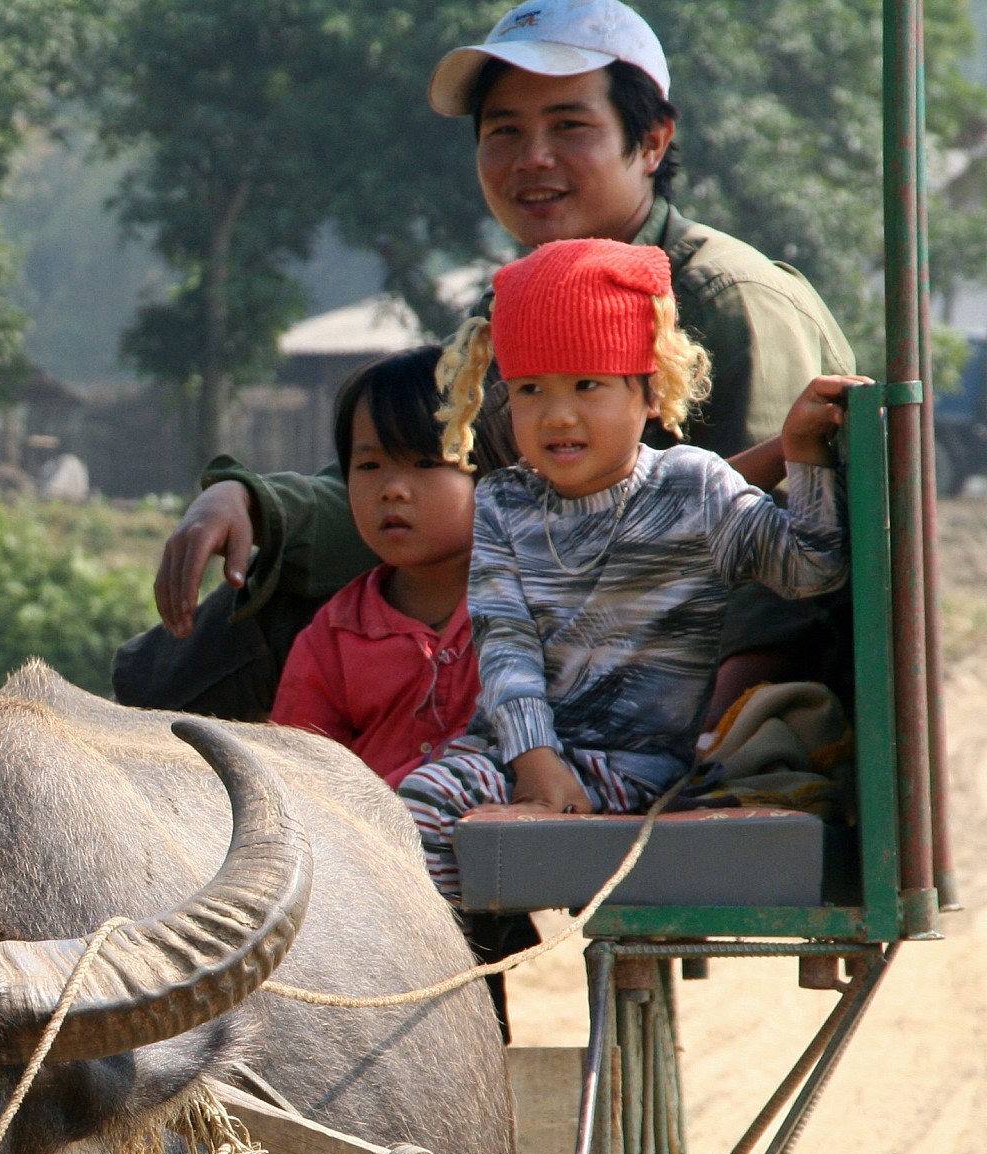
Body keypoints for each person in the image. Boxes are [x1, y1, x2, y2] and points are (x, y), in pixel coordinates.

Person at [122, 0, 856, 723]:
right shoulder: (513, 307)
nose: (532, 158)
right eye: (504, 131)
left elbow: (772, 553)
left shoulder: (727, 297)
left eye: (569, 126)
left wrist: (714, 758)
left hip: (664, 697)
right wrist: (255, 504)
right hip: (535, 668)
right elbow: (428, 469)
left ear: (653, 142)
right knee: (286, 594)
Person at [394, 238, 857, 901]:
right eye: (530, 389)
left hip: (637, 767)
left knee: (435, 799)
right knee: (412, 806)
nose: (557, 414)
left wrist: (803, 452)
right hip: (511, 754)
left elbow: (812, 569)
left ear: (648, 391)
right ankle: (456, 974)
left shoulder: (695, 487)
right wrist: (534, 758)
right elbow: (505, 644)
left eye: (587, 384)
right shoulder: (503, 502)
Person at [270, 346, 517, 787]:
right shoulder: (334, 639)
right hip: (370, 847)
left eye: (425, 462)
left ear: (495, 470)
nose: (393, 490)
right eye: (369, 465)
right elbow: (296, 779)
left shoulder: (531, 606)